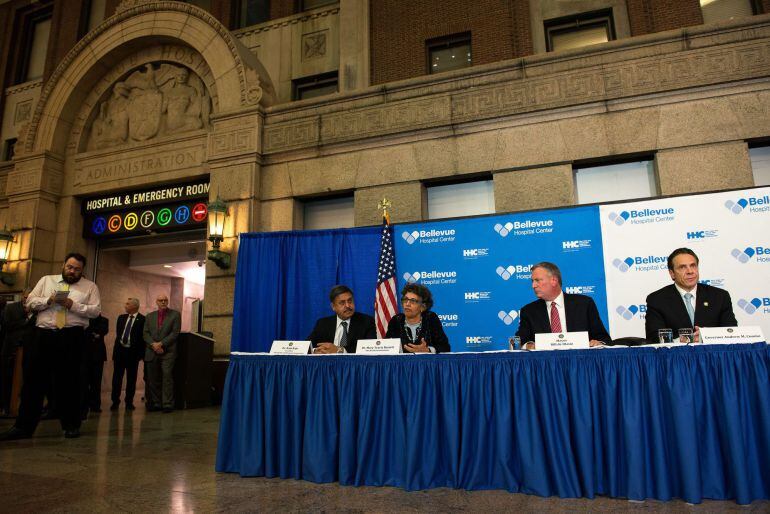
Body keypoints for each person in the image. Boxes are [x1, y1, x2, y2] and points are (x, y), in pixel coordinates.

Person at [0, 253, 101, 441]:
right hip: (43, 335)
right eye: (70, 267)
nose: (72, 271)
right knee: (33, 382)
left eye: (77, 269)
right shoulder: (47, 280)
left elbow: (95, 311)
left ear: (82, 271)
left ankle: (71, 425)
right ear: (63, 265)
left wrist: (73, 304)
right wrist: (48, 301)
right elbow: (30, 302)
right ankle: (23, 427)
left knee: (70, 382)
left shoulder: (90, 287)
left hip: (72, 336)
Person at [645, 248, 737, 343]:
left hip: (713, 355)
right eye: (682, 267)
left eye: (693, 266)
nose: (690, 271)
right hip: (676, 356)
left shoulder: (720, 296)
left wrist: (706, 336)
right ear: (672, 273)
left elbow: (731, 331)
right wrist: (684, 340)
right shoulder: (657, 300)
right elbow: (653, 338)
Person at [516, 262, 611, 349]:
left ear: (554, 280)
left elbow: (603, 338)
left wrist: (598, 343)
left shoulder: (584, 304)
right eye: (532, 281)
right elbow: (520, 341)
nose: (533, 285)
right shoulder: (529, 311)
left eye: (537, 280)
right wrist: (529, 345)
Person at [308, 285, 376, 354]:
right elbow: (307, 345)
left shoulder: (366, 322)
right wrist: (315, 351)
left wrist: (339, 350)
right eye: (342, 303)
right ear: (333, 307)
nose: (347, 306)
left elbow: (369, 349)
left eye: (350, 301)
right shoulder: (323, 324)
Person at [385, 283, 450, 353]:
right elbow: (387, 347)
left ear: (423, 306)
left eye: (413, 301)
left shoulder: (430, 318)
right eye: (405, 300)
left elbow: (445, 347)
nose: (407, 304)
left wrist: (428, 350)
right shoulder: (396, 321)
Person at [143, 294, 180, 413]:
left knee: (167, 376)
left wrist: (161, 344)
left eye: (165, 300)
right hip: (152, 350)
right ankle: (156, 403)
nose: (163, 302)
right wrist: (154, 345)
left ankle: (167, 404)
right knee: (153, 378)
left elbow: (175, 333)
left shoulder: (175, 315)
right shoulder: (149, 316)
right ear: (156, 302)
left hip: (168, 352)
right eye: (161, 300)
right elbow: (145, 334)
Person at [0, 290, 34, 417]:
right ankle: (5, 407)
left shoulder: (37, 310)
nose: (28, 299)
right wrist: (27, 320)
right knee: (6, 380)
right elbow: (7, 325)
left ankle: (21, 409)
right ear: (22, 296)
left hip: (28, 350)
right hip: (10, 350)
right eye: (26, 297)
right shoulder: (11, 308)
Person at [111, 298, 146, 411]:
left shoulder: (142, 319)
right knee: (117, 378)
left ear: (134, 306)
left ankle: (129, 402)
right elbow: (119, 334)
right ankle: (115, 402)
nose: (125, 305)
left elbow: (142, 339)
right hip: (120, 353)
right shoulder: (121, 318)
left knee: (131, 379)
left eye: (127, 304)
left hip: (133, 354)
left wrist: (140, 355)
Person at [81, 314, 108, 417]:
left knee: (96, 382)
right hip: (85, 355)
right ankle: (84, 405)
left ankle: (95, 405)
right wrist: (94, 333)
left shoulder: (104, 320)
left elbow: (102, 331)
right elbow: (89, 332)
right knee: (84, 382)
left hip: (98, 355)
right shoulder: (84, 318)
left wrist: (91, 331)